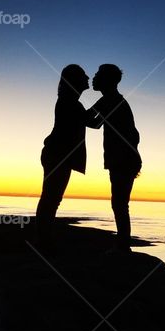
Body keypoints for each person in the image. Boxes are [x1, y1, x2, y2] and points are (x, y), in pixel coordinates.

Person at [34, 64, 96, 251]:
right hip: (57, 154)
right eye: (84, 75)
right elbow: (93, 122)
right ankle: (43, 241)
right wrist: (106, 103)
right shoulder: (69, 102)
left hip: (58, 154)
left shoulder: (70, 101)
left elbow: (91, 122)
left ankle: (43, 238)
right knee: (51, 198)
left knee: (51, 198)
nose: (88, 77)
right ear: (76, 80)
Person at [88, 64, 141, 253]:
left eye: (97, 75)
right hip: (124, 158)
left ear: (107, 80)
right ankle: (122, 244)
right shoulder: (111, 100)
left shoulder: (110, 100)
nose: (93, 78)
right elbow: (95, 122)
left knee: (119, 203)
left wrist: (72, 108)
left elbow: (91, 121)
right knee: (120, 203)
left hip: (123, 159)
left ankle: (123, 246)